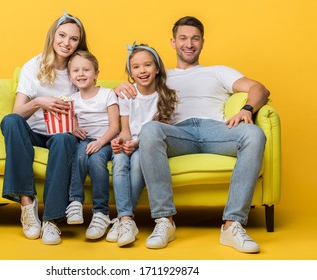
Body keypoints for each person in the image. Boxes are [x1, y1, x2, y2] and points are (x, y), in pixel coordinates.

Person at [115, 16, 270, 253]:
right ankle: (164, 221)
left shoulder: (219, 72)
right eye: (183, 38)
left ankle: (232, 225)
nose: (189, 44)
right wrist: (118, 88)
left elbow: (259, 88)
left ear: (202, 42)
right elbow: (135, 82)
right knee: (150, 129)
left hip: (217, 131)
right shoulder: (159, 75)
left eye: (195, 38)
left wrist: (247, 109)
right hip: (178, 133)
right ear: (173, 42)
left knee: (255, 134)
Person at [0, 10, 89, 245]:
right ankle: (27, 205)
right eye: (62, 35)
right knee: (10, 121)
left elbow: (93, 98)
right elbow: (17, 112)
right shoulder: (34, 65)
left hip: (60, 135)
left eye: (73, 39)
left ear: (79, 43)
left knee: (64, 139)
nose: (66, 43)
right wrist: (39, 102)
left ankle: (51, 221)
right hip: (31, 134)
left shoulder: (79, 68)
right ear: (52, 35)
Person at [106, 42, 178, 247]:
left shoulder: (166, 95)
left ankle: (122, 220)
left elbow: (159, 132)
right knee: (120, 161)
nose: (142, 71)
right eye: (136, 67)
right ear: (130, 72)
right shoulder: (128, 95)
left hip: (148, 146)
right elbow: (126, 129)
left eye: (147, 65)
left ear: (157, 68)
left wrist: (137, 144)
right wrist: (123, 140)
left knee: (138, 162)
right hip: (131, 140)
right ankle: (126, 220)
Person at [64, 50, 120, 240]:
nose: (81, 74)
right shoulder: (71, 100)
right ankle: (75, 203)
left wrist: (100, 142)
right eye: (76, 70)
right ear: (70, 76)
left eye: (86, 70)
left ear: (96, 74)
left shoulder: (107, 94)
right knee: (79, 155)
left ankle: (101, 212)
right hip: (86, 140)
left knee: (96, 161)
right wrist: (75, 129)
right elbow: (72, 122)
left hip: (106, 140)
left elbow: (115, 127)